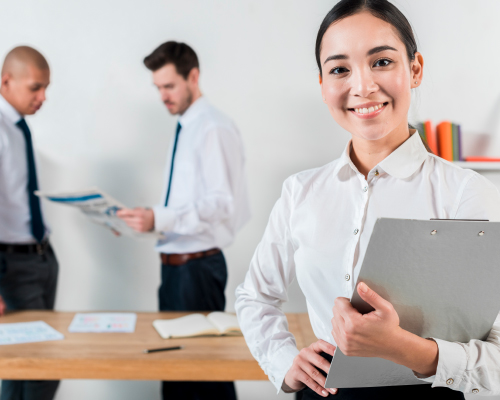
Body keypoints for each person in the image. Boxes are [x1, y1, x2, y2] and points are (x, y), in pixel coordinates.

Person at [235, 0, 500, 399]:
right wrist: (285, 364)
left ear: (414, 70)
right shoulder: (300, 192)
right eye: (340, 69)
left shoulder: (465, 193)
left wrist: (402, 347)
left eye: (381, 62)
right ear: (323, 85)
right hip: (323, 392)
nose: (362, 86)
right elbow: (255, 296)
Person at [117, 41, 250, 400]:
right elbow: (191, 203)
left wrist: (158, 217)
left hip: (197, 271)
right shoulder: (188, 127)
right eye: (158, 88)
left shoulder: (212, 128)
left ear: (193, 76)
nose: (163, 96)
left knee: (203, 376)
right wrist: (146, 221)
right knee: (177, 373)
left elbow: (221, 204)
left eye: (169, 86)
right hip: (177, 270)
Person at [0, 46, 60, 400]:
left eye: (46, 88)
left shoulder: (17, 127)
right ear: (6, 81)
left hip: (41, 258)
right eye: (36, 87)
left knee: (36, 365)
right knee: (33, 369)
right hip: (13, 266)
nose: (43, 97)